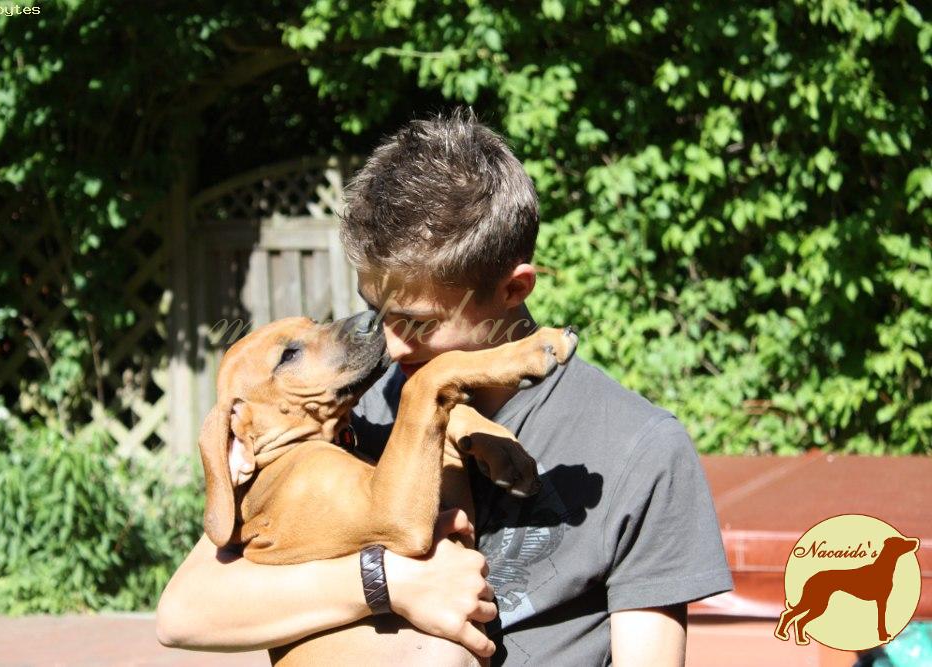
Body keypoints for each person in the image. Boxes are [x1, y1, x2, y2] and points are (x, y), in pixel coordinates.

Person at [156, 109, 733, 665]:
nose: (390, 346)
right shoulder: (348, 409)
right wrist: (386, 583)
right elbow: (185, 614)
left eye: (419, 322)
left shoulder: (639, 447)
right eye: (375, 310)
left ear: (514, 288)